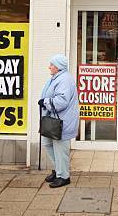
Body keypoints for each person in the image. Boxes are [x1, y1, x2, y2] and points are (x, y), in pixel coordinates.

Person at [38, 54, 79, 188]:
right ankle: (58, 170)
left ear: (58, 67)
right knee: (48, 143)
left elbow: (61, 101)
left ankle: (64, 176)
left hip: (62, 122)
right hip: (53, 120)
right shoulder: (57, 77)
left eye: (52, 65)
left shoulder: (64, 80)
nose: (49, 67)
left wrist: (46, 102)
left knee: (60, 149)